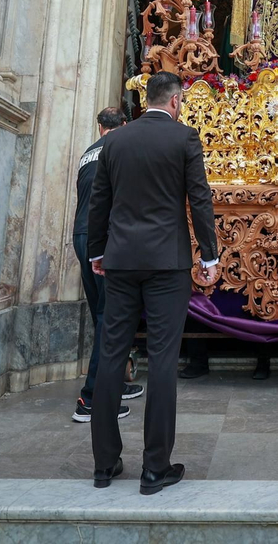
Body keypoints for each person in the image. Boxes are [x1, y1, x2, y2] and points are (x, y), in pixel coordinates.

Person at [86, 71, 219, 495]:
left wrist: (96, 252)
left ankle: (104, 465)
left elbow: (99, 201)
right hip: (167, 262)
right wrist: (210, 255)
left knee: (111, 354)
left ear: (146, 101)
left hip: (121, 259)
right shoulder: (184, 139)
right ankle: (154, 469)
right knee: (162, 360)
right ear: (176, 101)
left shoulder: (114, 141)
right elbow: (199, 197)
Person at [70, 107, 142, 423]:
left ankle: (112, 386)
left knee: (103, 314)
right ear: (124, 126)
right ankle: (91, 398)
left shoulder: (89, 153)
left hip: (83, 234)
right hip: (106, 238)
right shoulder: (122, 148)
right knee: (109, 317)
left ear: (100, 127)